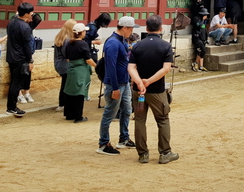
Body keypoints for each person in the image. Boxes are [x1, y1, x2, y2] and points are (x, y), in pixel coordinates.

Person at [128, 15, 179, 165]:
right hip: (156, 90)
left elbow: (131, 68)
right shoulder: (165, 46)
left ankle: (143, 154)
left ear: (146, 28)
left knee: (139, 121)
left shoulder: (137, 46)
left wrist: (140, 83)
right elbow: (166, 69)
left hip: (139, 90)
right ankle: (165, 153)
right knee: (163, 119)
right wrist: (149, 81)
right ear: (161, 28)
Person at [97, 16, 139, 155]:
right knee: (110, 113)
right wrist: (115, 88)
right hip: (115, 84)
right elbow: (111, 67)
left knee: (126, 110)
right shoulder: (113, 43)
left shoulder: (121, 40)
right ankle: (103, 143)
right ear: (125, 28)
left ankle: (124, 138)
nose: (132, 32)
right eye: (131, 29)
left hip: (124, 82)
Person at [5, 2, 35, 117]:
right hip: (20, 58)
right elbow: (27, 46)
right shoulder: (25, 27)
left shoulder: (11, 23)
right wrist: (30, 61)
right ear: (27, 14)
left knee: (14, 82)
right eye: (31, 12)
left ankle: (11, 106)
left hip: (11, 56)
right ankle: (11, 107)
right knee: (16, 84)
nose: (32, 14)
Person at [64, 23, 96, 123]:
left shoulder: (69, 43)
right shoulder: (83, 44)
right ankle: (78, 116)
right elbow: (88, 59)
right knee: (79, 92)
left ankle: (69, 114)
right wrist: (97, 66)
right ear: (82, 33)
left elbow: (67, 57)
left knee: (70, 92)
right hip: (80, 70)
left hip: (71, 69)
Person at [18, 12, 42, 106]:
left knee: (28, 73)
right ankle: (19, 93)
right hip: (19, 53)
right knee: (19, 74)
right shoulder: (17, 23)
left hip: (29, 53)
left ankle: (27, 92)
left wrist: (32, 13)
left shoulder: (29, 26)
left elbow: (38, 19)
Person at [53, 19, 77, 112]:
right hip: (65, 65)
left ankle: (62, 103)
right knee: (66, 85)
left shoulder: (60, 36)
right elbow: (67, 55)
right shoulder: (67, 40)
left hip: (59, 64)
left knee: (64, 84)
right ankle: (63, 104)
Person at [191, 7, 209, 72]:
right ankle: (195, 63)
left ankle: (201, 66)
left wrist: (207, 37)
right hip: (197, 37)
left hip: (203, 37)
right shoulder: (196, 19)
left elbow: (205, 29)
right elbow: (199, 26)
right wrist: (202, 20)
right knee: (202, 50)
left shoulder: (205, 21)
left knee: (201, 52)